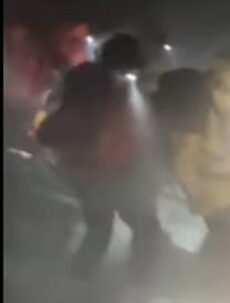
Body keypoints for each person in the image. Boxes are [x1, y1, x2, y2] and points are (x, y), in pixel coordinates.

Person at [36, 34, 161, 281]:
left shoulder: (84, 78)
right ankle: (137, 282)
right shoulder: (103, 85)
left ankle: (79, 281)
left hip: (82, 166)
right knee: (144, 227)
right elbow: (106, 129)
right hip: (100, 168)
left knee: (100, 227)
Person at [157, 51, 230, 268]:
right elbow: (184, 156)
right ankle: (219, 284)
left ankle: (215, 277)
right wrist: (195, 192)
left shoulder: (229, 94)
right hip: (216, 186)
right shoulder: (199, 105)